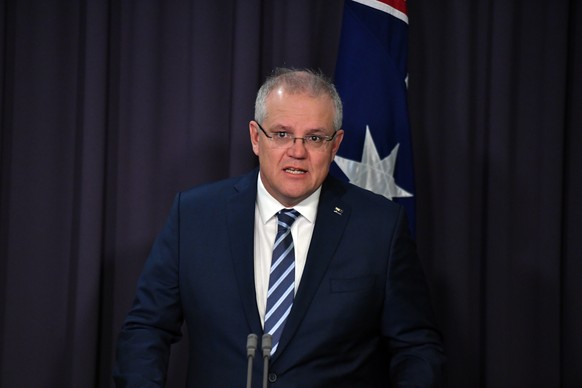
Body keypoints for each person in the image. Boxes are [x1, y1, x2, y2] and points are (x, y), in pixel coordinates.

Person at [113, 68, 445, 387]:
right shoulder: (196, 216)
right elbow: (146, 328)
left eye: (314, 138)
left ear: (335, 145)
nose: (297, 152)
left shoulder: (380, 227)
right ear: (256, 138)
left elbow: (416, 347)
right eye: (282, 134)